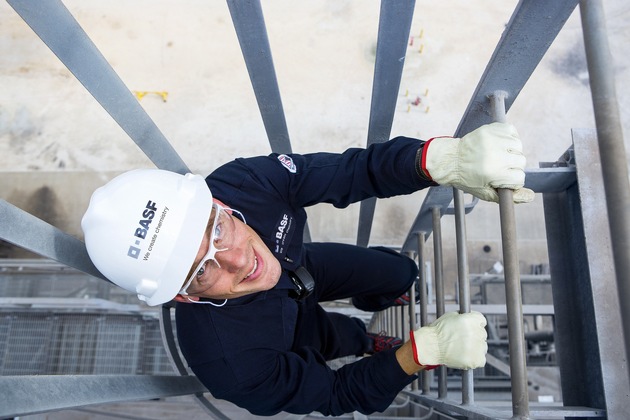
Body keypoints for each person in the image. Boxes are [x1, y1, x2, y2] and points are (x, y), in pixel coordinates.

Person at [81, 122, 533, 416]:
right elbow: (336, 393)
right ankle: (367, 340)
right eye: (201, 271)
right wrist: (422, 352)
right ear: (184, 296)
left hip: (302, 266)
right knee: (332, 338)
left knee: (398, 272)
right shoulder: (233, 365)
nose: (238, 259)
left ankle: (389, 293)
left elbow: (349, 173)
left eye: (216, 229)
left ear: (217, 201)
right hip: (281, 335)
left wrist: (438, 161)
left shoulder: (243, 184)